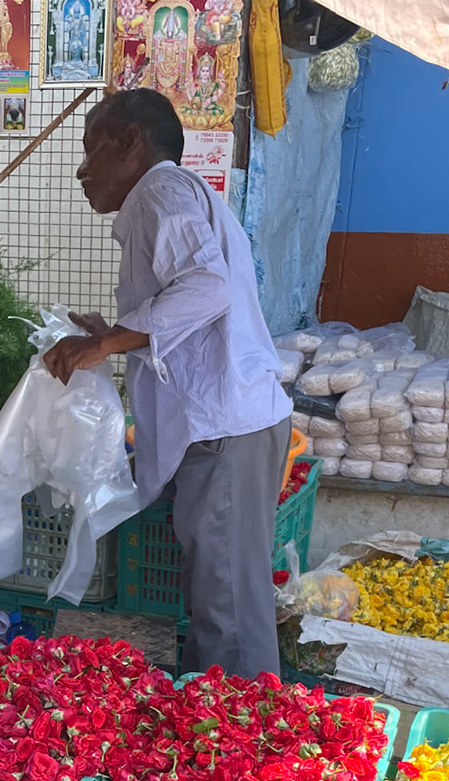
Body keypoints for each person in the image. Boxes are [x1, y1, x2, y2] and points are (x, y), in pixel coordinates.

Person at [43, 88, 291, 679]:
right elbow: (186, 305)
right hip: (227, 425)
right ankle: (231, 733)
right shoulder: (168, 196)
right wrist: (115, 333)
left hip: (225, 428)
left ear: (131, 142)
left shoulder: (159, 190)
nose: (82, 170)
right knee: (223, 597)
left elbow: (207, 288)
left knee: (228, 611)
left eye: (90, 149)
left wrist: (105, 344)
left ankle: (244, 747)